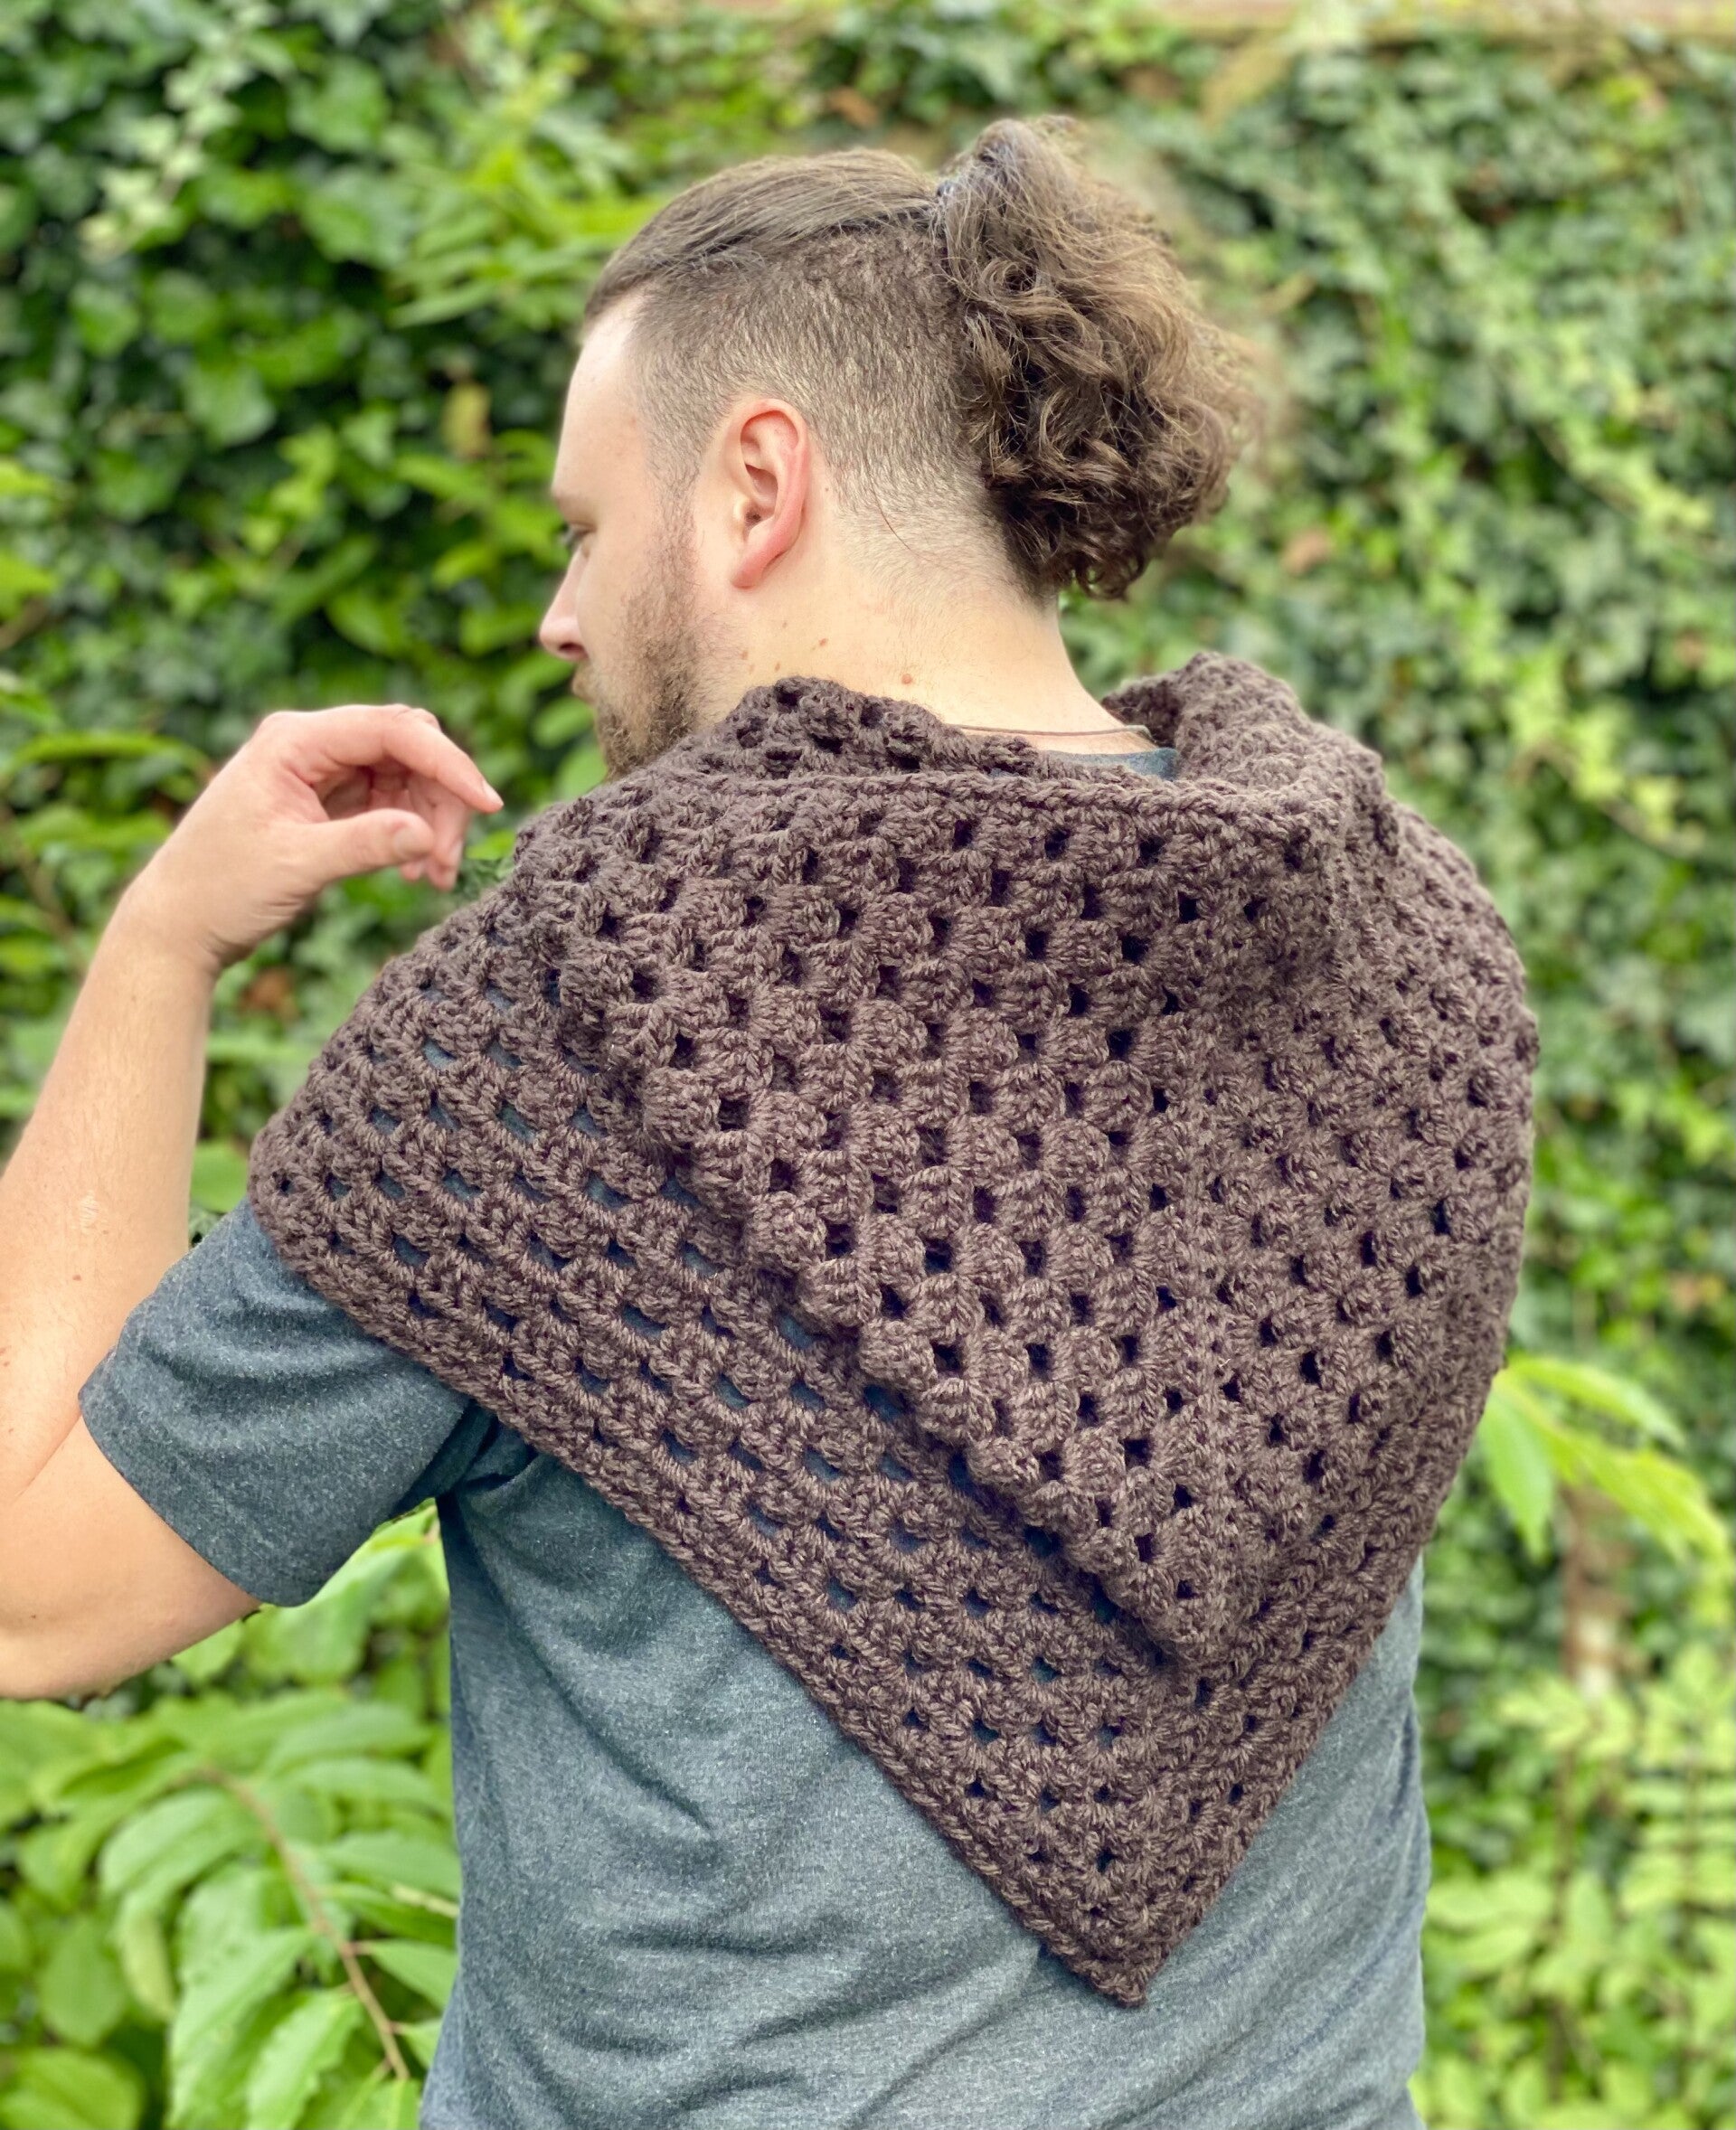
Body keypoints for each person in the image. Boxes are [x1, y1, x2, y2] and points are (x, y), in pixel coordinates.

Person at [0, 118, 1441, 2128]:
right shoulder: (1384, 944)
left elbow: (32, 1588)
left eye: (586, 528)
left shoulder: (566, 1036)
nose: (559, 613)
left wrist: (159, 946)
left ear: (757, 486)